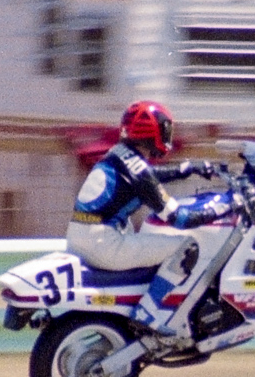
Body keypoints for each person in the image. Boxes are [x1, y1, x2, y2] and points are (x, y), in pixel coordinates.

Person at [67, 100, 230, 341]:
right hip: (103, 245)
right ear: (152, 131)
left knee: (141, 232)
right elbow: (179, 218)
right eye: (165, 129)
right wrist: (222, 208)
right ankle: (149, 312)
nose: (167, 134)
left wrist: (186, 169)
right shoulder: (139, 171)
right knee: (187, 247)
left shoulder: (119, 154)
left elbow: (147, 177)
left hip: (80, 238)